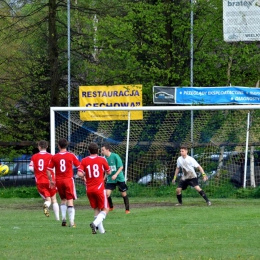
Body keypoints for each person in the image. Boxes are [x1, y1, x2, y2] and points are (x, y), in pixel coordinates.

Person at [77, 142, 111, 234]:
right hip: (99, 188)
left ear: (89, 151)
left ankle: (102, 231)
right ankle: (95, 224)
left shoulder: (84, 160)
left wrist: (84, 174)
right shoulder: (102, 159)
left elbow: (79, 173)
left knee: (96, 208)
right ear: (98, 151)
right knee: (106, 208)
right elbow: (109, 171)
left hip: (89, 189)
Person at [47, 138, 81, 227]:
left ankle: (63, 220)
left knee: (63, 200)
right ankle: (72, 222)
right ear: (66, 145)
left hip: (59, 181)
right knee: (70, 200)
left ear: (58, 146)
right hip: (68, 180)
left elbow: (48, 170)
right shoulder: (71, 155)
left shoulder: (54, 157)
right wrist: (82, 175)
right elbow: (79, 166)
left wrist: (51, 180)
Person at [29, 140, 60, 220]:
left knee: (47, 199)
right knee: (54, 199)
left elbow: (31, 168)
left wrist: (37, 170)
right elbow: (54, 167)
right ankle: (57, 218)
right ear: (47, 147)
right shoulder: (51, 156)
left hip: (40, 181)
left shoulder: (34, 156)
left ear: (39, 147)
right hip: (50, 180)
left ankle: (46, 205)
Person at [101, 143, 130, 214]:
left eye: (103, 150)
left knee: (123, 194)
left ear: (107, 150)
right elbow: (106, 170)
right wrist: (104, 178)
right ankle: (111, 207)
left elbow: (121, 167)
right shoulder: (104, 159)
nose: (102, 152)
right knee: (107, 194)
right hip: (111, 179)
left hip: (119, 178)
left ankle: (127, 210)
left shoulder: (115, 156)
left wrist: (116, 175)